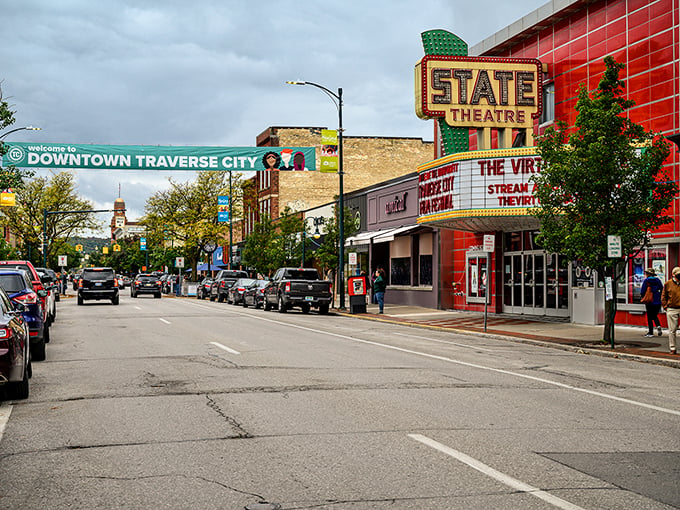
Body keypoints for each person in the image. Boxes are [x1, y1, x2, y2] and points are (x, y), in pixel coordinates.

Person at [661, 266, 680, 354]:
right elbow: (663, 296)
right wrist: (666, 307)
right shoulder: (668, 284)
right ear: (673, 275)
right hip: (672, 308)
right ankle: (672, 348)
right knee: (672, 330)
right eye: (678, 274)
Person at [640, 268, 663, 337]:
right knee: (655, 315)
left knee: (650, 317)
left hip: (649, 301)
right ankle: (658, 326)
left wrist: (643, 297)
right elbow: (662, 289)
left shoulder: (646, 281)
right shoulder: (658, 280)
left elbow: (642, 291)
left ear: (648, 274)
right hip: (657, 300)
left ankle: (650, 332)